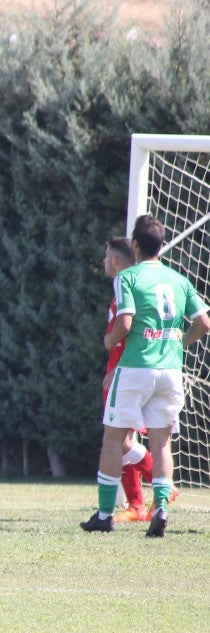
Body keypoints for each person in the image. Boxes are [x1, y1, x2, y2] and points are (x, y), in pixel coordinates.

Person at [83, 215, 209, 537]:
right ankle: (161, 509)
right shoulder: (178, 279)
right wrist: (180, 342)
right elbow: (204, 323)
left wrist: (109, 340)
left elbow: (125, 323)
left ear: (135, 245)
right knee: (161, 442)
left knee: (113, 439)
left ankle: (103, 514)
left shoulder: (128, 278)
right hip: (170, 371)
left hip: (136, 367)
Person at [101, 236, 160, 522]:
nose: (102, 262)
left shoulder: (126, 286)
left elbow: (128, 332)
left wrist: (116, 370)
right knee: (119, 438)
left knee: (118, 440)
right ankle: (136, 504)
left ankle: (162, 484)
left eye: (105, 257)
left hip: (125, 371)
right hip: (123, 369)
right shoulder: (123, 289)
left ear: (115, 261)